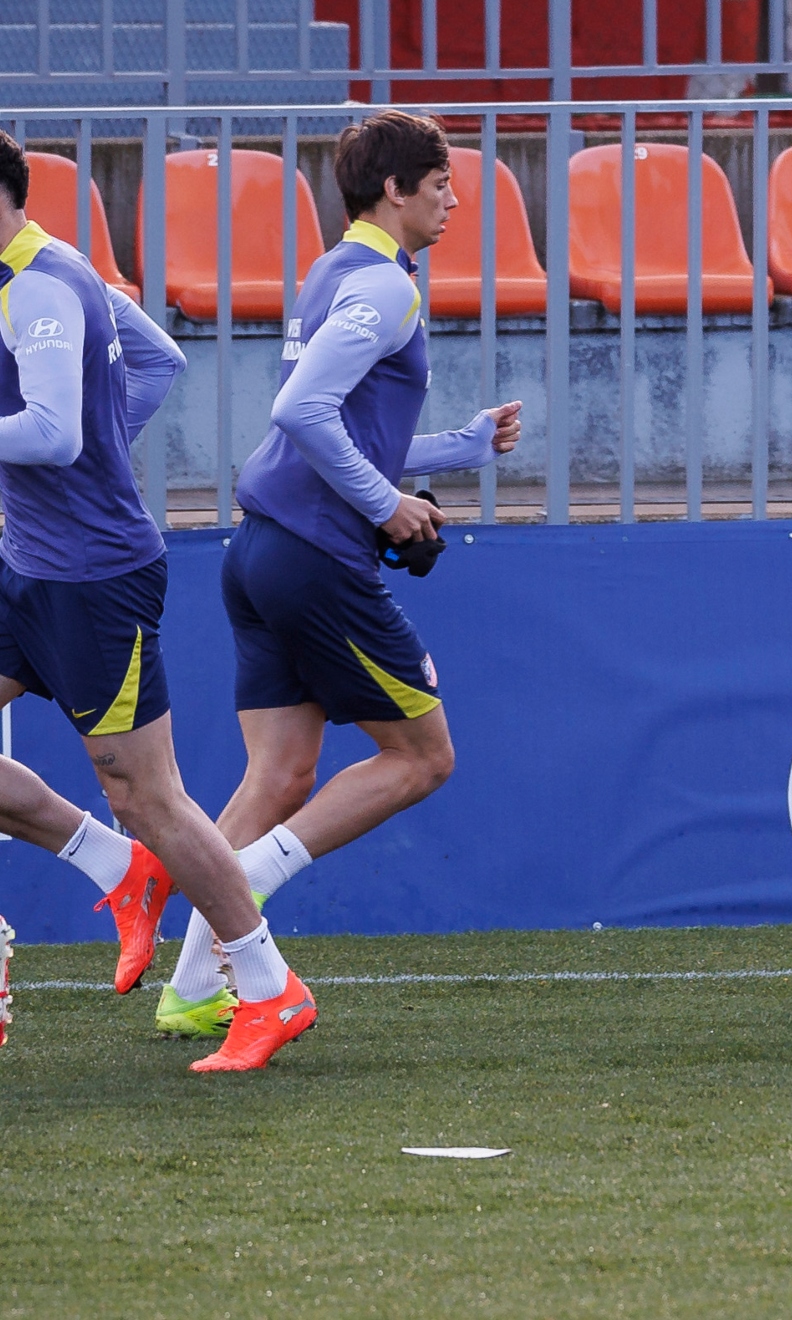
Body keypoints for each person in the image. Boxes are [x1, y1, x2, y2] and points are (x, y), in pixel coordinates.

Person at [154, 110, 521, 1037]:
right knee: (422, 757)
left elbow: (329, 428)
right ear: (395, 190)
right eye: (440, 184)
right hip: (315, 556)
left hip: (262, 552)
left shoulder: (334, 271)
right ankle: (246, 907)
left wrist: (456, 450)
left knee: (278, 774)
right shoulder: (388, 291)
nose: (453, 200)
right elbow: (305, 409)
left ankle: (196, 986)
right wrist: (387, 505)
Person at [0, 132, 316, 1070]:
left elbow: (55, 433)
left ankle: (268, 987)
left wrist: (87, 450)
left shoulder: (42, 287)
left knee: (150, 796)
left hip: (94, 579)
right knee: (135, 811)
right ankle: (114, 867)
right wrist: (98, 447)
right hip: (28, 566)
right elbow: (162, 359)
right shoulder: (61, 274)